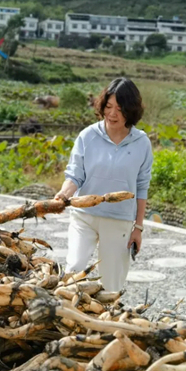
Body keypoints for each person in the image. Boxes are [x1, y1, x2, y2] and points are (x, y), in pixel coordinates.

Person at [55, 78, 153, 292]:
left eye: (120, 109)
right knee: (73, 270)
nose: (112, 114)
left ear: (131, 110)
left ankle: (108, 314)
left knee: (111, 284)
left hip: (119, 220)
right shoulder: (88, 136)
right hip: (84, 215)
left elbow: (142, 187)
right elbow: (75, 175)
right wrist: (63, 195)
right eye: (108, 106)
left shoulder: (142, 143)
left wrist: (138, 227)